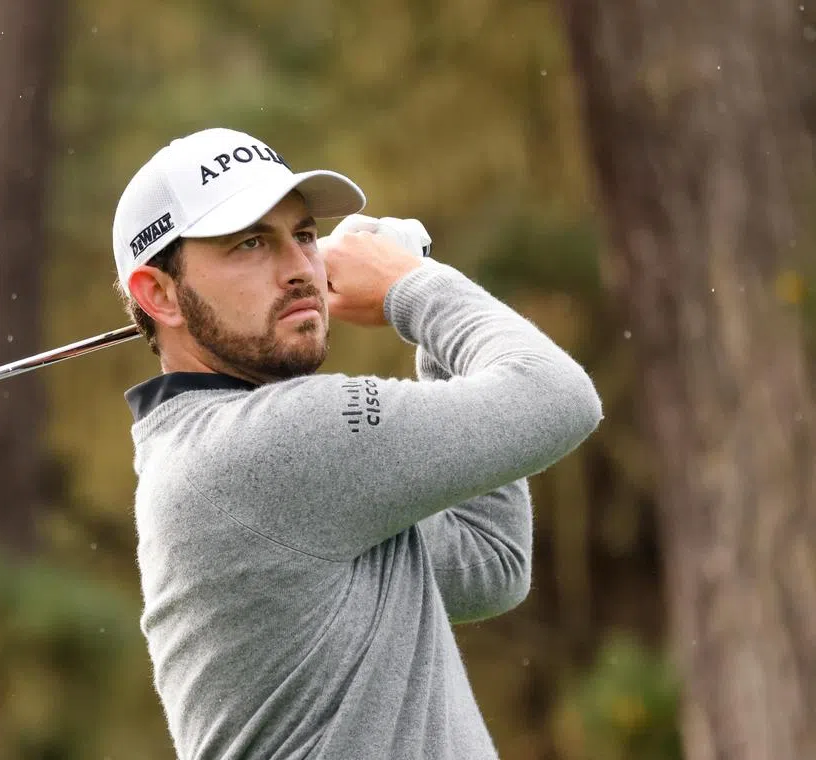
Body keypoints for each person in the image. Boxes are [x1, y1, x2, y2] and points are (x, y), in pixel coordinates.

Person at [110, 127, 603, 760]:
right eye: (250, 243)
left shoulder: (224, 459)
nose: (299, 269)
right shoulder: (272, 443)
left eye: (304, 235)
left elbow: (490, 562)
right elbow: (559, 396)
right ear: (159, 294)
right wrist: (413, 284)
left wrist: (428, 322)